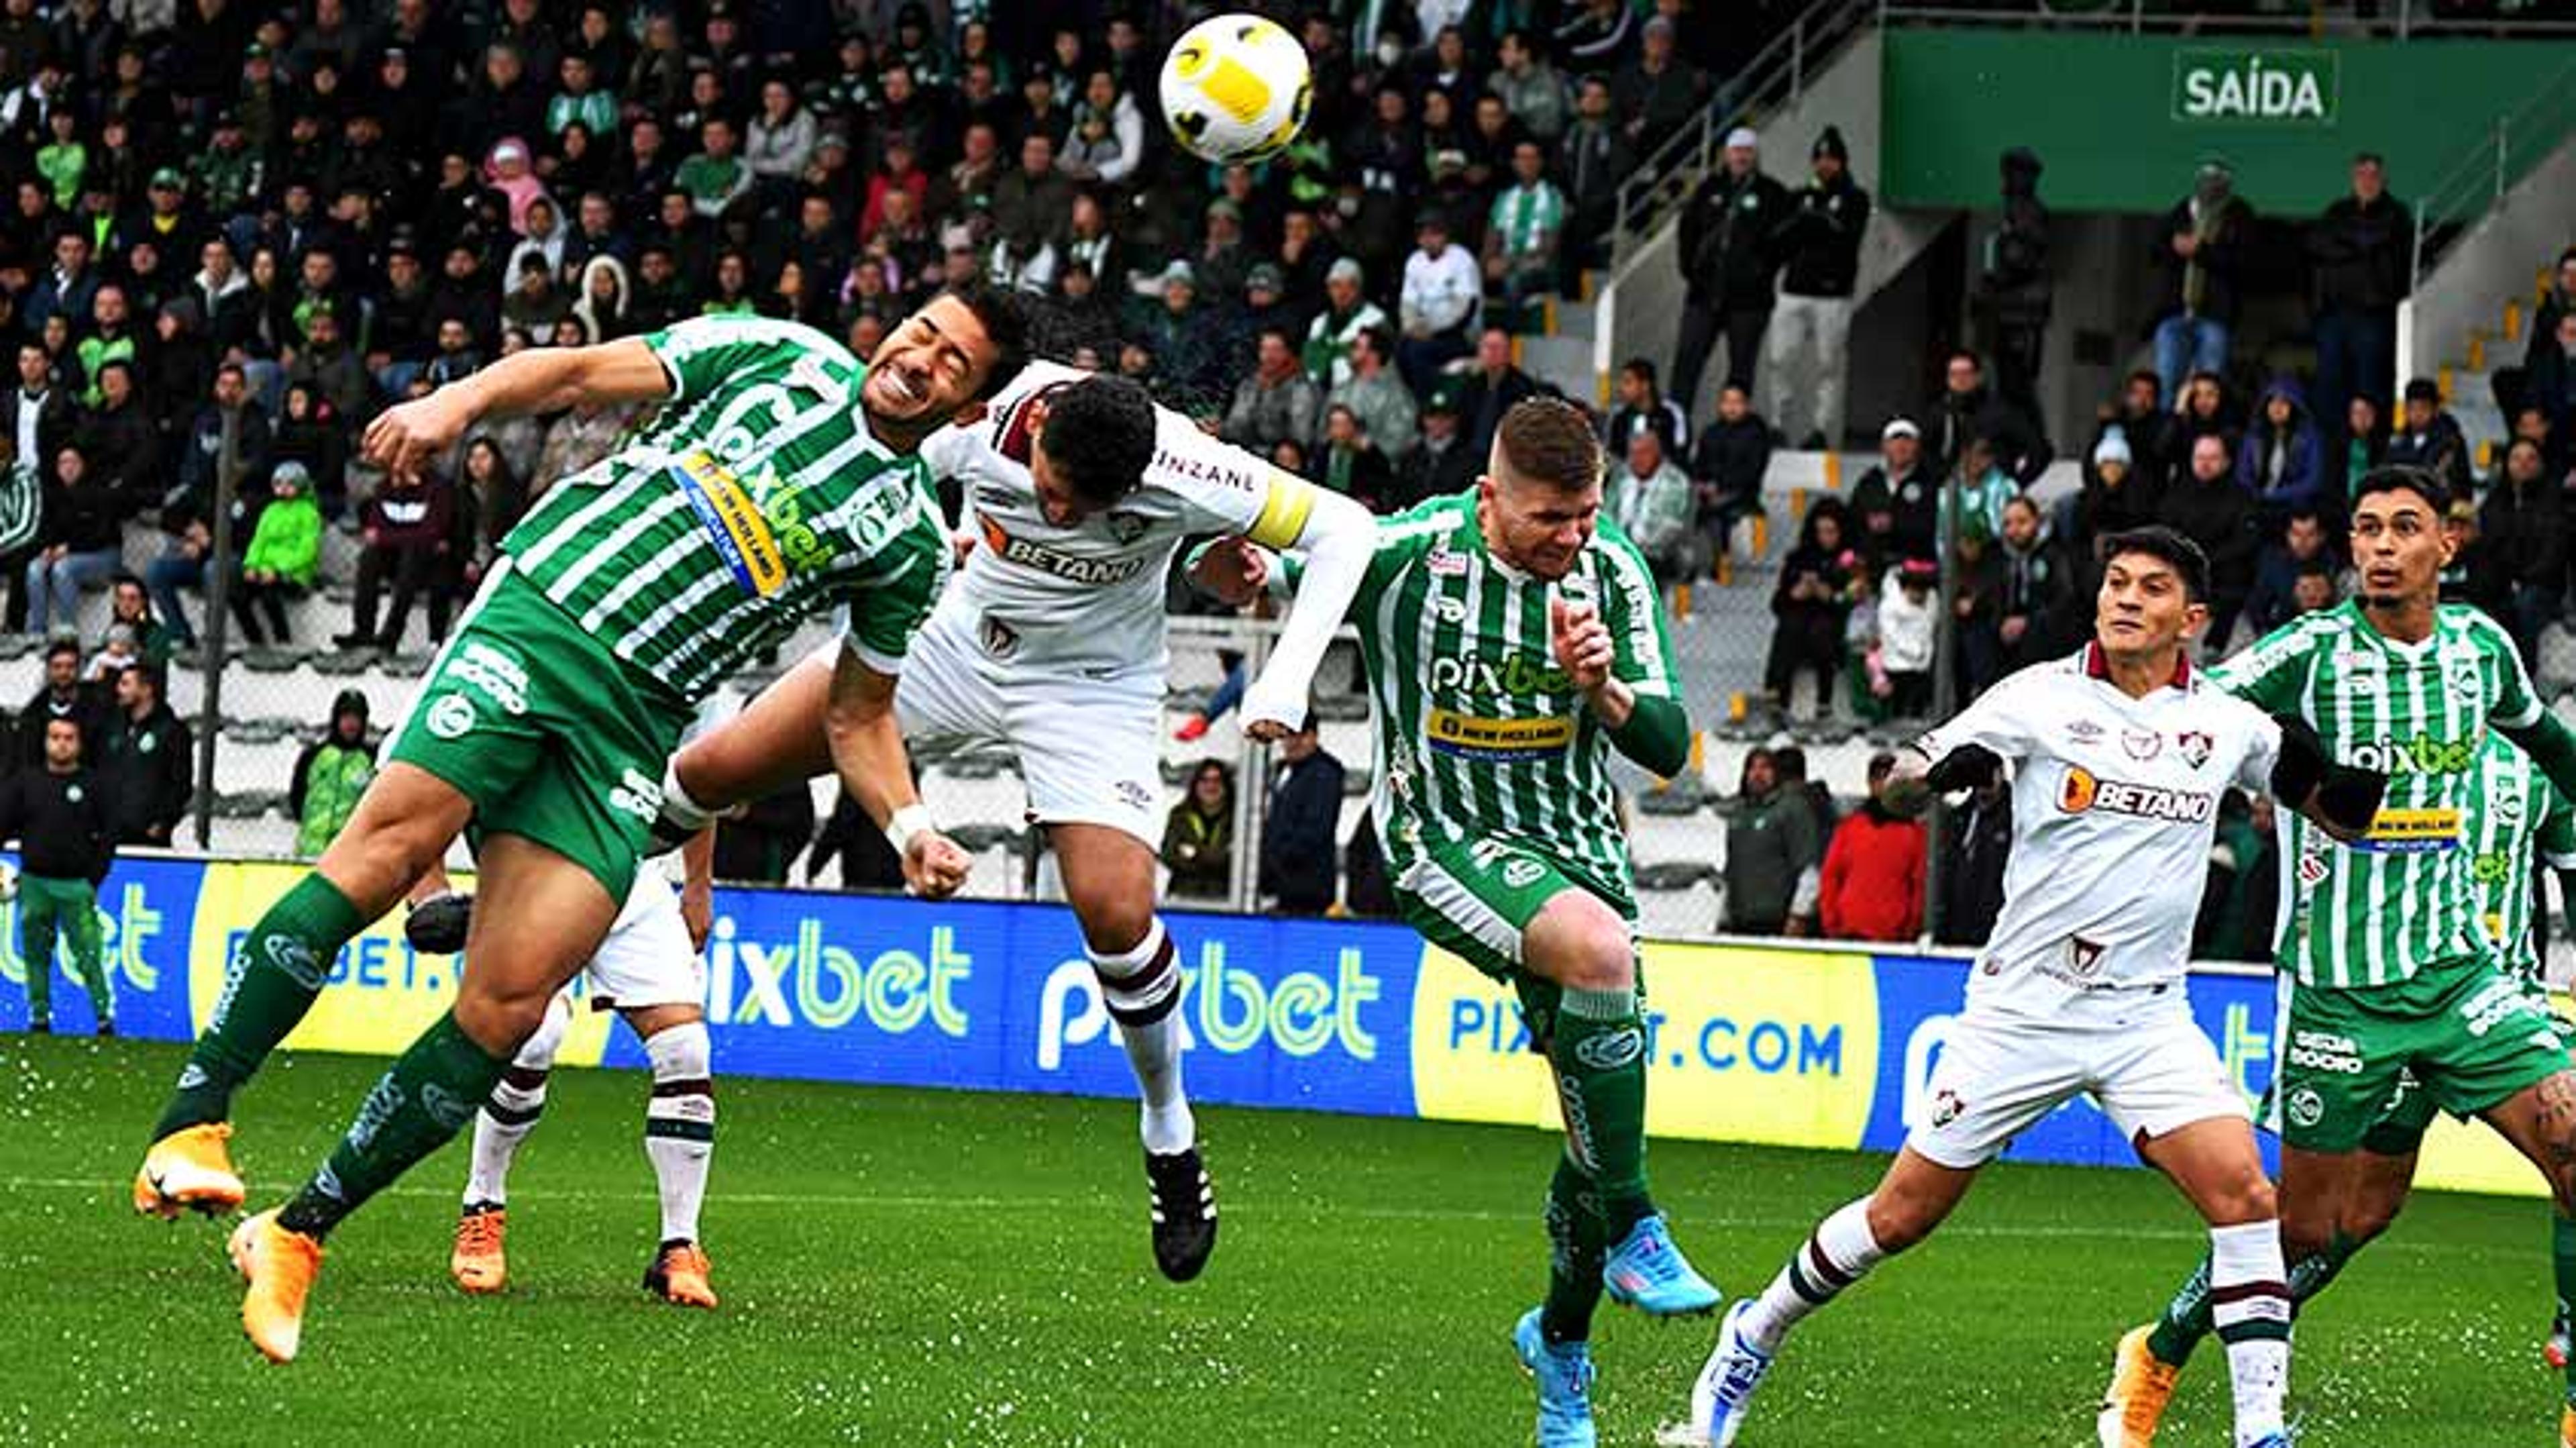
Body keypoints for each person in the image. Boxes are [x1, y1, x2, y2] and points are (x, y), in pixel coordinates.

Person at [136, 291, 1031, 1365]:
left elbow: (856, 713)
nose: (920, 359)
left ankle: (293, 1234)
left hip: (631, 725)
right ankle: (194, 1119)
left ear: (970, 400)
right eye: (921, 332)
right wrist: (452, 405)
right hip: (546, 612)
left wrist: (912, 823)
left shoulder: (905, 545)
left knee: (509, 1005)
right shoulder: (778, 355)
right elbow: (573, 373)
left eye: (952, 360)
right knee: (393, 847)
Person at [525, 362, 1381, 1289]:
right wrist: (931, 540)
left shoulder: (1186, 462)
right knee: (707, 772)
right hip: (952, 640)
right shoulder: (984, 409)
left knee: (1115, 910)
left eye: (1081, 508)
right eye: (1050, 494)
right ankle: (526, 916)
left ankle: (1168, 1129)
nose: (1057, 517)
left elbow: (1347, 527)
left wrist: (1287, 676)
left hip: (1088, 685)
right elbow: (871, 469)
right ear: (1038, 428)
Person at [1687, 525, 2385, 1448]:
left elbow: (2334, 811)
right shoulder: (2039, 697)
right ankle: (1755, 1330)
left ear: (2195, 617)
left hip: (2146, 1018)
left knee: (2248, 1199)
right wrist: (1935, 778)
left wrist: (2365, 774)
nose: (2127, 598)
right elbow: (1895, 780)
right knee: (1900, 1216)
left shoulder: (2228, 724)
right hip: (2024, 1010)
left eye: (2152, 587)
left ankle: (2261, 1430)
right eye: (2117, 582)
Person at [1192, 397, 1717, 1447]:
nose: (1571, 537)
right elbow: (1257, 572)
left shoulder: (1612, 572)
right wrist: (1234, 561)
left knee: (1592, 1119)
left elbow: (1669, 747)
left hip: (1580, 857)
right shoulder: (1402, 553)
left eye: (1585, 513)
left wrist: (1601, 686)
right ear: (1489, 497)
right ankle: (1639, 1223)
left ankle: (1561, 1344)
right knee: (1604, 968)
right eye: (1548, 518)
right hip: (1442, 843)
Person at [2100, 468, 2576, 1447]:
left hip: (2464, 979)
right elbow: (2192, 711)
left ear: (2449, 544)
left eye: (2406, 529)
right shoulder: (2313, 652)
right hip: (2340, 997)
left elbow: (2548, 741)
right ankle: (2159, 1351)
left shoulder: (2483, 649)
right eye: (2366, 529)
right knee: (2310, 1231)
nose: (2381, 547)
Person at [447, 837, 723, 1308]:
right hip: (533, 878)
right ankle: (483, 1205)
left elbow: (697, 775)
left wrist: (698, 886)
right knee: (536, 1035)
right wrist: (431, 894)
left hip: (632, 885)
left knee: (686, 1050)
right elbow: (417, 786)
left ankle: (680, 1246)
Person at [0, 716, 116, 1035]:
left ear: (78, 744)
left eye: (68, 737)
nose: (61, 744)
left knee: (89, 954)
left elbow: (108, 836)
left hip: (76, 886)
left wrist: (94, 879)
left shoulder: (93, 785)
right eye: (55, 737)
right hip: (34, 883)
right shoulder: (26, 783)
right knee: (36, 955)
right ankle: (39, 1017)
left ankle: (104, 1017)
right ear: (46, 742)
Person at [1672, 126, 1788, 419]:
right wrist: (1691, 269)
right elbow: (1687, 230)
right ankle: (1675, 426)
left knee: (1741, 369)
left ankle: (1733, 430)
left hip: (1749, 301)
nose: (1742, 157)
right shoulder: (1708, 189)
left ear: (1756, 155)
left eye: (1748, 151)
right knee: (1688, 362)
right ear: (1726, 154)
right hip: (1704, 294)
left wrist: (1761, 271)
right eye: (1737, 150)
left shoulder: (1772, 193)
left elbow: (1785, 240)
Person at [1767, 125, 1869, 450]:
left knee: (1828, 364)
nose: (1825, 165)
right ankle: (1777, 422)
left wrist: (1817, 223)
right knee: (1780, 359)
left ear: (1842, 163)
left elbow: (1846, 238)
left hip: (1833, 294)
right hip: (1795, 289)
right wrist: (1808, 224)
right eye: (1820, 159)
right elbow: (1782, 238)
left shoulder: (1856, 198)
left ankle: (1821, 428)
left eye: (1831, 159)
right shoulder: (1798, 196)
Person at [2306, 153, 2410, 445]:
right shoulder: (2337, 210)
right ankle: (2331, 452)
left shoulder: (2396, 213)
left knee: (2370, 389)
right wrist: (2358, 246)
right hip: (2334, 315)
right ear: (2353, 180)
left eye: (2373, 175)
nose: (2367, 181)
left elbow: (2377, 239)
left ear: (2384, 180)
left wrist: (2347, 244)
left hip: (2373, 316)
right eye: (2361, 175)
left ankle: (2372, 452)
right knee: (2330, 388)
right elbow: (2317, 244)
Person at [2151, 160, 2253, 405]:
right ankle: (2168, 437)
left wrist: (2202, 251)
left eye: (2217, 180)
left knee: (2210, 387)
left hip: (2215, 315)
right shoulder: (2180, 212)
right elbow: (2154, 252)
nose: (2210, 186)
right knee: (2167, 383)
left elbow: (2243, 264)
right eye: (2207, 180)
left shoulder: (2238, 216)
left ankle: (2205, 440)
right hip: (2175, 310)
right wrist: (2173, 247)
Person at [2158, 435, 2258, 656]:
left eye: (2213, 458)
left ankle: (2214, 647)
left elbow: (2245, 542)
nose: (2205, 464)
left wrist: (2207, 559)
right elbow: (2166, 535)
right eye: (2200, 458)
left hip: (2225, 576)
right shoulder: (2177, 494)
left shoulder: (2240, 496)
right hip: (2184, 571)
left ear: (2226, 462)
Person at [1974, 147, 2051, 423]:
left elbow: (2022, 259)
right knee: (2006, 379)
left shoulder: (2027, 212)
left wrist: (1999, 272)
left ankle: (2025, 436)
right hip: (2008, 306)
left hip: (2021, 309)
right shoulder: (2012, 209)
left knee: (2016, 380)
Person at [2474, 435, 2565, 670]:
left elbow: (2553, 553)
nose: (2523, 464)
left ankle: (2524, 680)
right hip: (2503, 583)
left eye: (2531, 458)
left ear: (2541, 465)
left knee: (2525, 607)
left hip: (2540, 585)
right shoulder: (2495, 501)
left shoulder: (2554, 502)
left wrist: (2523, 579)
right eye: (2516, 458)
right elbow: (2485, 550)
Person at [1815, 752, 1924, 943]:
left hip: (1892, 939)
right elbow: (1830, 878)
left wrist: (1909, 930)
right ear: (1870, 783)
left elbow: (1919, 886)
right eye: (1878, 778)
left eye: (1890, 779)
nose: (1883, 785)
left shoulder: (1915, 834)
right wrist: (1832, 923)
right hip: (1848, 934)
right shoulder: (1849, 828)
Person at [1766, 502, 1856, 717]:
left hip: (1833, 620)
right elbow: (1778, 604)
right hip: (1800, 615)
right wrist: (1795, 593)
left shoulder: (1851, 561)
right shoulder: (1799, 558)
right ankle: (1778, 696)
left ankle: (1824, 701)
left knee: (1821, 631)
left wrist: (1830, 596)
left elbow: (1853, 601)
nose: (1825, 538)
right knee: (1790, 627)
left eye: (1831, 532)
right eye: (1820, 532)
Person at [25, 442, 121, 636]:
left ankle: (67, 632)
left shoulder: (100, 491)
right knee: (35, 569)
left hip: (103, 555)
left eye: (73, 462)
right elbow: (45, 531)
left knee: (63, 569)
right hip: (67, 554)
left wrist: (70, 548)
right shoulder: (54, 494)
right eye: (62, 463)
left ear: (83, 465)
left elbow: (102, 535)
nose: (68, 467)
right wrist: (47, 548)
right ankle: (37, 633)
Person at [1722, 747, 1819, 937]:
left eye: (1765, 767)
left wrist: (1799, 915)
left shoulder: (1792, 809)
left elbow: (1808, 868)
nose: (1758, 774)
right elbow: (1732, 869)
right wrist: (1725, 916)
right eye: (1752, 768)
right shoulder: (1739, 814)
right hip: (1741, 919)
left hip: (1778, 920)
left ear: (1777, 773)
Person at [97, 662, 189, 847]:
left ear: (146, 689)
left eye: (125, 684)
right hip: (109, 831)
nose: (118, 689)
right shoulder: (113, 727)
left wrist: (163, 822)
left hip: (147, 835)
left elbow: (180, 783)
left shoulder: (171, 731)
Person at [1260, 715, 1344, 915]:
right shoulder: (1285, 770)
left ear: (1314, 737)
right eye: (1288, 737)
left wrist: (1277, 859)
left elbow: (1315, 831)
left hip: (1308, 890)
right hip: (1283, 886)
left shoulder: (1324, 773)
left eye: (1300, 736)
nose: (1293, 743)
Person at [231, 460, 319, 647]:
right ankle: (256, 641)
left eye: (289, 484)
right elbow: (258, 542)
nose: (283, 488)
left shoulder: (309, 513)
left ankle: (283, 640)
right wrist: (251, 565)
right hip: (264, 570)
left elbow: (307, 551)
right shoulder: (270, 511)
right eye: (278, 484)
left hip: (293, 574)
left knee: (269, 595)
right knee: (236, 593)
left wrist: (278, 571)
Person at [1397, 213, 1480, 394]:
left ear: (1445, 236)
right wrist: (1411, 327)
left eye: (1434, 234)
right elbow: (1407, 305)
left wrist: (1431, 330)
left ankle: (1429, 400)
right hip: (1426, 331)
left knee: (1417, 352)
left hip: (1461, 334)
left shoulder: (1461, 259)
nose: (1429, 240)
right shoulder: (1415, 261)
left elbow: (1465, 311)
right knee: (1400, 349)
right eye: (1423, 235)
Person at [1690, 382, 1770, 564]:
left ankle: (1718, 565)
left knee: (1714, 515)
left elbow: (1752, 472)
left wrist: (1719, 485)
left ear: (1747, 405)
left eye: (1737, 402)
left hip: (1742, 496)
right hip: (1708, 494)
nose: (1731, 407)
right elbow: (1698, 466)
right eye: (1727, 401)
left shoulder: (1756, 434)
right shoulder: (1711, 432)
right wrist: (1703, 484)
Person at [288, 690, 372, 861]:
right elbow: (297, 797)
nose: (351, 724)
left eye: (356, 718)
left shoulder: (371, 760)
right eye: (346, 717)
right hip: (311, 852)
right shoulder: (313, 756)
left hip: (350, 855)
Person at [1485, 140, 1566, 311]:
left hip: (1539, 265)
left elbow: (1549, 247)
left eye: (1532, 158)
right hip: (1508, 262)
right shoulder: (1504, 197)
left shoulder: (1553, 197)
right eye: (1522, 158)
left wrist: (1509, 262)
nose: (1527, 163)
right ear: (1514, 163)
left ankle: (1514, 334)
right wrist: (1488, 262)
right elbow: (1492, 239)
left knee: (1513, 281)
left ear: (1541, 163)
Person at [2237, 378, 2324, 537]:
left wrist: (2276, 495)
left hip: (2293, 504)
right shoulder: (2254, 435)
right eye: (2273, 402)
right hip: (2257, 502)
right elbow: (2242, 474)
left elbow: (2313, 480)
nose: (2277, 408)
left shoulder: (2309, 436)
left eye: (2284, 403)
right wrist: (2258, 494)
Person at [1611, 429, 1696, 582]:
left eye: (1644, 453)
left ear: (1658, 454)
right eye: (1633, 453)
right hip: (1623, 552)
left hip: (1664, 555)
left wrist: (1632, 552)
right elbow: (1607, 516)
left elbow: (1670, 530)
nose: (1637, 459)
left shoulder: (1676, 481)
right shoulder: (1621, 478)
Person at [1849, 418, 1934, 567]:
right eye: (1894, 440)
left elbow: (1932, 523)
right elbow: (1854, 521)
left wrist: (1894, 523)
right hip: (1872, 568)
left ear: (1918, 446)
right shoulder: (1870, 482)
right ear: (1884, 446)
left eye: (1908, 441)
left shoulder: (1929, 481)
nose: (1900, 446)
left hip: (1916, 569)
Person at [1223, 329, 1322, 456]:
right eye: (1265, 349)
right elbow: (1236, 424)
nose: (1269, 356)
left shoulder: (1302, 388)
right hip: (1247, 455)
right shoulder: (1250, 384)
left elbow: (1301, 438)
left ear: (1288, 353)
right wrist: (1220, 429)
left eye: (1276, 350)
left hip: (1282, 461)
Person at [2243, 508, 2338, 639]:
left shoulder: (2335, 565)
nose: (2302, 542)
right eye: (2296, 534)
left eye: (2310, 534)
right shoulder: (2272, 562)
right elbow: (2257, 606)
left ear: (2322, 536)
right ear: (2287, 534)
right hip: (2277, 634)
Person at [2385, 376, 2471, 503]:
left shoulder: (2451, 441)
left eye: (2423, 408)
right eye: (2412, 408)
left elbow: (2460, 485)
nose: (2417, 414)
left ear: (2435, 410)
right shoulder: (2397, 440)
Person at [1160, 760, 1234, 904]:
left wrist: (1195, 854)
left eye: (1217, 780)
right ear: (1195, 785)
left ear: (1226, 786)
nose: (1211, 786)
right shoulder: (1179, 815)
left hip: (1226, 901)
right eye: (1204, 780)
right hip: (1183, 897)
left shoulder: (1238, 818)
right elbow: (1168, 855)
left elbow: (1234, 861)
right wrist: (1214, 858)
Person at [19, 639, 101, 768]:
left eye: (70, 666)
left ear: (80, 670)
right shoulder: (34, 712)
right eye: (57, 666)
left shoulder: (97, 709)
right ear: (48, 670)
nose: (64, 672)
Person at [1604, 358, 1687, 458]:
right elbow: (1613, 454)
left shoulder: (1671, 413)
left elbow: (1679, 449)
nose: (1621, 388)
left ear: (1645, 385)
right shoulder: (1619, 417)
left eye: (1628, 383)